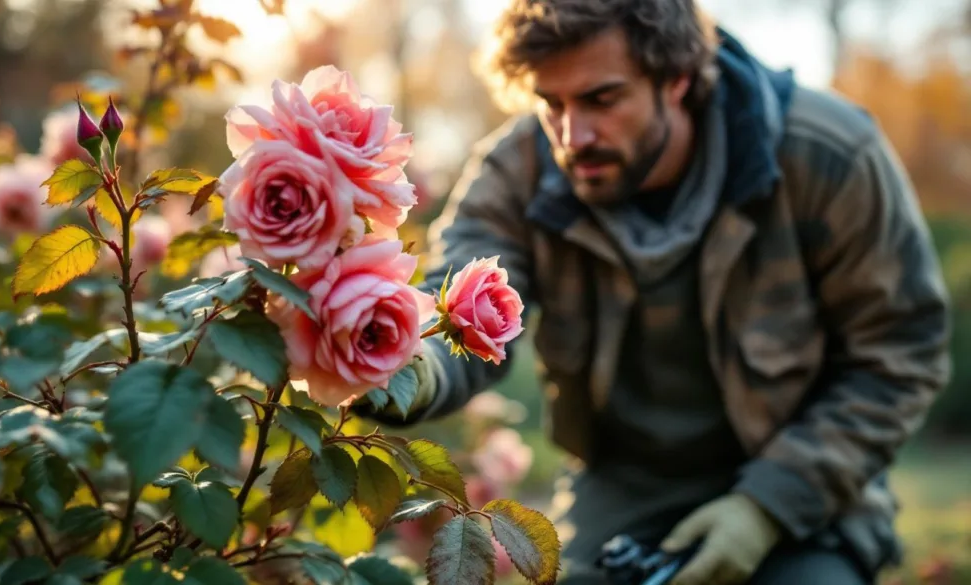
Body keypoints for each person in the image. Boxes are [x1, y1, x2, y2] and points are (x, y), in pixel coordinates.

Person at [361, 0, 952, 583]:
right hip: (623, 488)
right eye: (550, 103)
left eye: (602, 99)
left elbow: (900, 350)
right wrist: (403, 366)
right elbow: (456, 301)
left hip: (809, 493)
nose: (572, 136)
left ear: (678, 79)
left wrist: (765, 508)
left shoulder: (828, 154)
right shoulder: (515, 172)